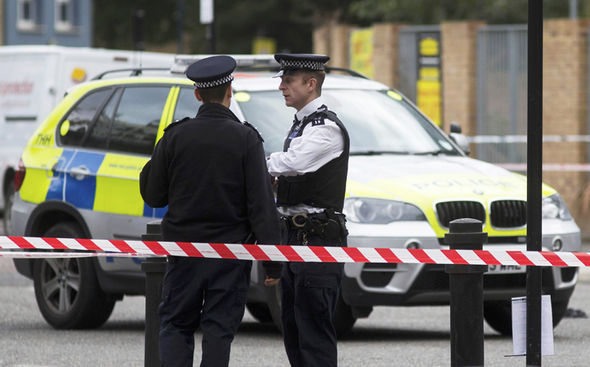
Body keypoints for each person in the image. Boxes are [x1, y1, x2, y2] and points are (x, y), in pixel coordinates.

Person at [139, 55, 281, 367]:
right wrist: (274, 264)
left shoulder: (175, 135)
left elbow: (153, 195)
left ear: (197, 95)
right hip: (230, 254)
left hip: (183, 251)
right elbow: (261, 206)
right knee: (219, 330)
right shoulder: (246, 138)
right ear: (230, 90)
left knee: (176, 325)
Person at [266, 53, 350, 367]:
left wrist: (258, 166)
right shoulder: (302, 124)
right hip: (293, 235)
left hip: (316, 238)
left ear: (311, 83)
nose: (282, 87)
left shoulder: (325, 128)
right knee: (293, 326)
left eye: (289, 81)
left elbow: (294, 163)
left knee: (313, 330)